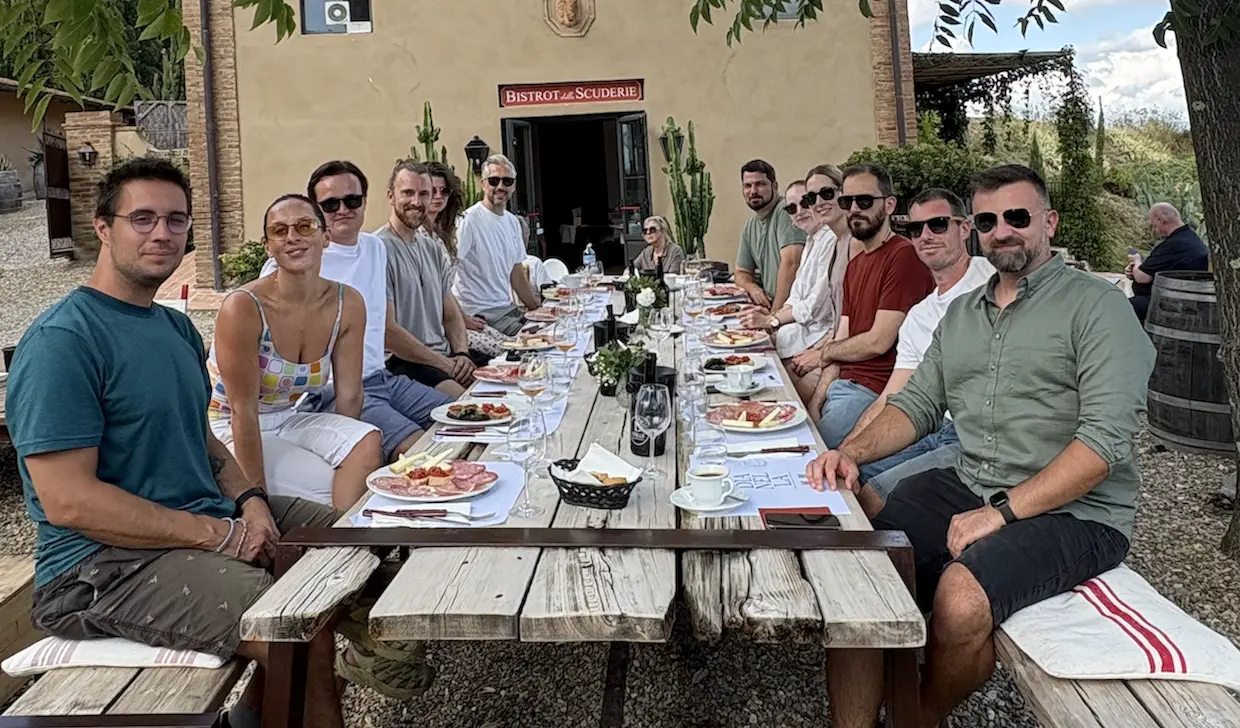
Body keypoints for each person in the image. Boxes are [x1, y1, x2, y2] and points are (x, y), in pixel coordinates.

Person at [806, 164, 1154, 728]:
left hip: (1078, 511)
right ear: (976, 230)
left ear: (1049, 222)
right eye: (989, 221)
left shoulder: (1098, 308)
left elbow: (1102, 445)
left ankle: (917, 718)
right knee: (859, 570)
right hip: (973, 481)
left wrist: (1001, 513)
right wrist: (851, 452)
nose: (1002, 231)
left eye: (1017, 217)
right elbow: (917, 404)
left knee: (960, 598)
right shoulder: (963, 313)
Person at [4, 158, 345, 728]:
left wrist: (251, 502)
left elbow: (203, 441)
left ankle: (259, 714)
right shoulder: (64, 341)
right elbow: (69, 502)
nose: (162, 233)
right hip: (100, 568)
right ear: (103, 228)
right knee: (291, 624)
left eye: (176, 220)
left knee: (352, 539)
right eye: (142, 218)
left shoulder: (177, 327)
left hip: (198, 516)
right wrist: (219, 535)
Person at [261, 161, 451, 463]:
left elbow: (384, 324)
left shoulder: (375, 248)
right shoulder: (297, 261)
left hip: (382, 376)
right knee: (421, 450)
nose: (342, 210)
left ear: (365, 201)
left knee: (462, 415)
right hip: (333, 390)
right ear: (315, 210)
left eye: (352, 200)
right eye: (330, 204)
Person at [208, 194, 381, 509]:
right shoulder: (244, 306)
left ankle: (341, 533)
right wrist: (255, 502)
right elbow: (242, 411)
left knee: (366, 442)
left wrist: (341, 456)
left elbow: (350, 396)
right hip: (228, 425)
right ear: (268, 246)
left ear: (325, 237)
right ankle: (332, 533)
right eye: (279, 230)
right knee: (327, 488)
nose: (292, 237)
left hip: (289, 417)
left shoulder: (347, 303)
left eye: (305, 226)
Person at [840, 188, 995, 516]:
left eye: (938, 224)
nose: (925, 236)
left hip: (975, 436)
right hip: (928, 428)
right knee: (847, 480)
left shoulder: (993, 281)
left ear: (964, 228)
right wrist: (845, 452)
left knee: (874, 497)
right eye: (915, 229)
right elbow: (891, 397)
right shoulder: (918, 316)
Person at [807, 163, 933, 448]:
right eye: (847, 201)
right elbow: (842, 340)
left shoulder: (903, 257)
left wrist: (825, 352)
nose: (854, 209)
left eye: (864, 201)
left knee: (806, 456)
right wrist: (815, 402)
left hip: (873, 392)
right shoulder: (855, 265)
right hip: (843, 387)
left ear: (889, 205)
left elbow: (878, 341)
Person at [741, 166, 849, 402]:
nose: (800, 211)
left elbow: (815, 307)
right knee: (755, 369)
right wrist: (773, 318)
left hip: (819, 340)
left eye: (805, 203)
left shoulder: (833, 240)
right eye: (792, 208)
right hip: (807, 336)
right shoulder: (812, 241)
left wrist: (772, 320)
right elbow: (796, 295)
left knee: (773, 391)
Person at [375, 160, 475, 396]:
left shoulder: (431, 248)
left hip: (444, 356)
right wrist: (444, 364)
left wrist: (462, 353)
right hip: (404, 361)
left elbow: (450, 314)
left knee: (506, 382)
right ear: (391, 196)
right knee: (468, 404)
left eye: (424, 194)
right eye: (408, 193)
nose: (416, 202)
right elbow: (388, 333)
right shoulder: (378, 250)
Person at [425, 161, 509, 360]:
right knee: (504, 353)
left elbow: (445, 288)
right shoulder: (418, 237)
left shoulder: (441, 234)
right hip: (436, 328)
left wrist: (463, 317)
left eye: (444, 191)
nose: (438, 196)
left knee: (510, 345)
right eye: (431, 191)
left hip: (455, 316)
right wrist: (460, 320)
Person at [454, 154, 543, 335]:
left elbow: (517, 275)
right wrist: (460, 318)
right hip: (480, 314)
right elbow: (447, 273)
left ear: (514, 187)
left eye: (507, 181)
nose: (501, 186)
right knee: (534, 340)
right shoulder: (468, 221)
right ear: (483, 184)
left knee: (552, 331)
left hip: (506, 309)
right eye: (494, 180)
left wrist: (539, 310)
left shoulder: (512, 222)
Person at [735, 159, 806, 309]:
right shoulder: (750, 226)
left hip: (794, 310)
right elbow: (741, 272)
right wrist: (753, 288)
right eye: (747, 186)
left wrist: (775, 315)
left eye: (760, 184)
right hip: (771, 306)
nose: (753, 191)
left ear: (775, 186)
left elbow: (792, 263)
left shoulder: (786, 211)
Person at [1127, 202, 1209, 322]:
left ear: (1160, 220)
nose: (1154, 230)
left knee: (1123, 306)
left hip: (1173, 304)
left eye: (1153, 225)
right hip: (1187, 299)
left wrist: (1137, 261)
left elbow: (1142, 277)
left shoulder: (1174, 244)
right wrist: (1134, 270)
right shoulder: (1189, 238)